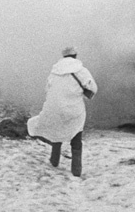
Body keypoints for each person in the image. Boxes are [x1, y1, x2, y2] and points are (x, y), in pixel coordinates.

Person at [27, 46, 98, 177]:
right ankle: (76, 171)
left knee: (57, 131)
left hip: (54, 107)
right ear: (75, 55)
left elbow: (47, 90)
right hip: (73, 109)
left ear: (63, 56)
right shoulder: (81, 70)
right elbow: (93, 88)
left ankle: (54, 161)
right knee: (76, 137)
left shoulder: (54, 71)